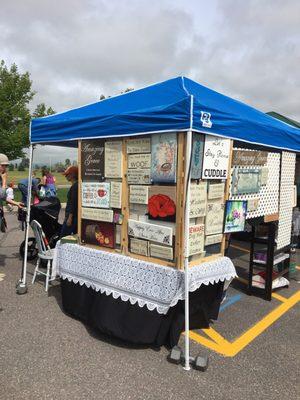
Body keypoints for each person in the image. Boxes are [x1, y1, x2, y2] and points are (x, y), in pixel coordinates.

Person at [61, 166, 78, 238]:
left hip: (72, 217)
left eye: (67, 175)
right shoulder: (75, 185)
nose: (65, 176)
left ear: (73, 175)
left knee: (63, 237)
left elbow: (74, 203)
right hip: (73, 217)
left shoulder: (75, 187)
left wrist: (69, 218)